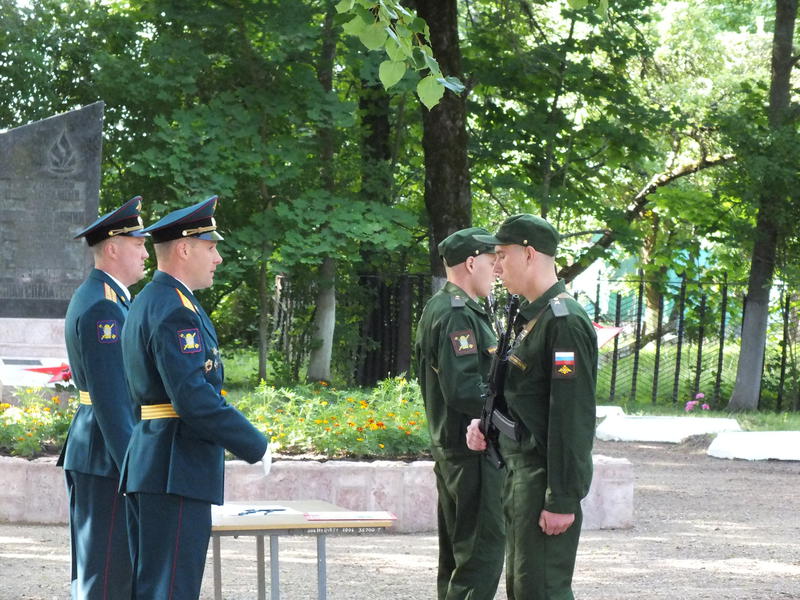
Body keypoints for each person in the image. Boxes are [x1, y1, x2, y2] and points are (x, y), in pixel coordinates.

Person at [119, 196, 270, 600]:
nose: (218, 258)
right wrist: (254, 443)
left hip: (156, 458)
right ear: (184, 249)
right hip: (175, 464)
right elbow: (193, 398)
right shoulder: (174, 310)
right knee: (171, 589)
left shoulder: (154, 300)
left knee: (156, 587)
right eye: (211, 247)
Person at [467, 214, 597, 600]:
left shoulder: (564, 322)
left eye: (502, 255)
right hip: (521, 471)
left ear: (529, 253)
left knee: (540, 590)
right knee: (524, 588)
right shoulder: (533, 317)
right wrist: (487, 424)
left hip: (542, 477)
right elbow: (524, 398)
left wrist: (561, 497)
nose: (498, 266)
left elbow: (571, 416)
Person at [59, 195, 149, 599]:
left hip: (99, 448)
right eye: (139, 244)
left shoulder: (110, 298)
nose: (147, 252)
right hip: (106, 452)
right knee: (108, 572)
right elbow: (113, 398)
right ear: (112, 248)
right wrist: (135, 468)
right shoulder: (102, 307)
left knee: (108, 565)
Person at [415, 227, 506, 600]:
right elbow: (466, 388)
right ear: (471, 263)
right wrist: (512, 404)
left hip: (456, 448)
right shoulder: (457, 315)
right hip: (471, 449)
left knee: (457, 555)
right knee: (479, 555)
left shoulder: (448, 308)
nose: (497, 269)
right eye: (491, 261)